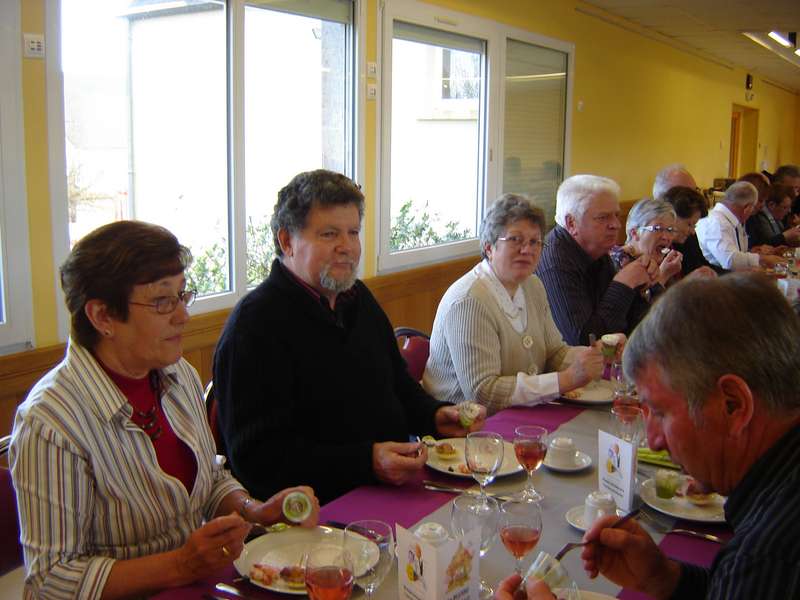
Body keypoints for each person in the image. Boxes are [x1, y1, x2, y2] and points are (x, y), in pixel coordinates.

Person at [9, 221, 320, 600]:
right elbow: (51, 581)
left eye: (181, 296)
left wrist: (253, 510)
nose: (182, 316)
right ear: (102, 316)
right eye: (161, 302)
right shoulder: (51, 423)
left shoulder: (176, 375)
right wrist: (180, 565)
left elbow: (210, 479)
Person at [213, 169, 484, 505]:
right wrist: (367, 461)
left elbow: (397, 385)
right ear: (287, 241)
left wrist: (433, 415)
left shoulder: (357, 298)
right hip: (320, 514)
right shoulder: (253, 328)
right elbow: (259, 462)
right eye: (329, 234)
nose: (346, 247)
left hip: (393, 486)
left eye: (352, 232)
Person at [581, 272, 800, 599]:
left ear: (733, 405)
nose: (652, 440)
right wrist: (665, 579)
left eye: (660, 412)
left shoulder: (769, 557)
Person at [423, 194, 603, 416]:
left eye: (535, 241)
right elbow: (482, 392)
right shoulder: (469, 301)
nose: (527, 250)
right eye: (515, 240)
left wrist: (593, 356)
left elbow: (554, 353)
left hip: (518, 414)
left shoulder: (533, 286)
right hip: (464, 429)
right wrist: (564, 380)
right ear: (489, 247)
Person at [538, 174, 659, 346]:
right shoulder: (555, 262)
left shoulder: (597, 250)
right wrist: (624, 283)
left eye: (616, 215)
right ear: (571, 223)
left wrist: (644, 285)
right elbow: (584, 340)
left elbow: (633, 327)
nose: (616, 224)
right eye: (603, 217)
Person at [695, 181, 785, 272]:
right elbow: (729, 260)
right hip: (718, 281)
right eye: (753, 208)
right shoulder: (716, 222)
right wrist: (762, 259)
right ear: (747, 208)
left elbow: (733, 253)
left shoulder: (731, 220)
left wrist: (752, 252)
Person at [611, 197, 683, 294]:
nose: (666, 237)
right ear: (635, 233)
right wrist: (663, 276)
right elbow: (642, 308)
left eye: (670, 230)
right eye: (657, 228)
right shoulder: (619, 262)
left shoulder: (660, 261)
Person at [661, 186, 714, 276]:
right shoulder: (656, 247)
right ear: (672, 216)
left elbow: (701, 264)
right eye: (689, 224)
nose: (693, 232)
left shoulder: (689, 238)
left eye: (694, 225)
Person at [746, 184, 800, 248]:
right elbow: (764, 244)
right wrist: (785, 236)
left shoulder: (778, 219)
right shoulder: (759, 217)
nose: (789, 211)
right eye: (785, 207)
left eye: (789, 207)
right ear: (772, 205)